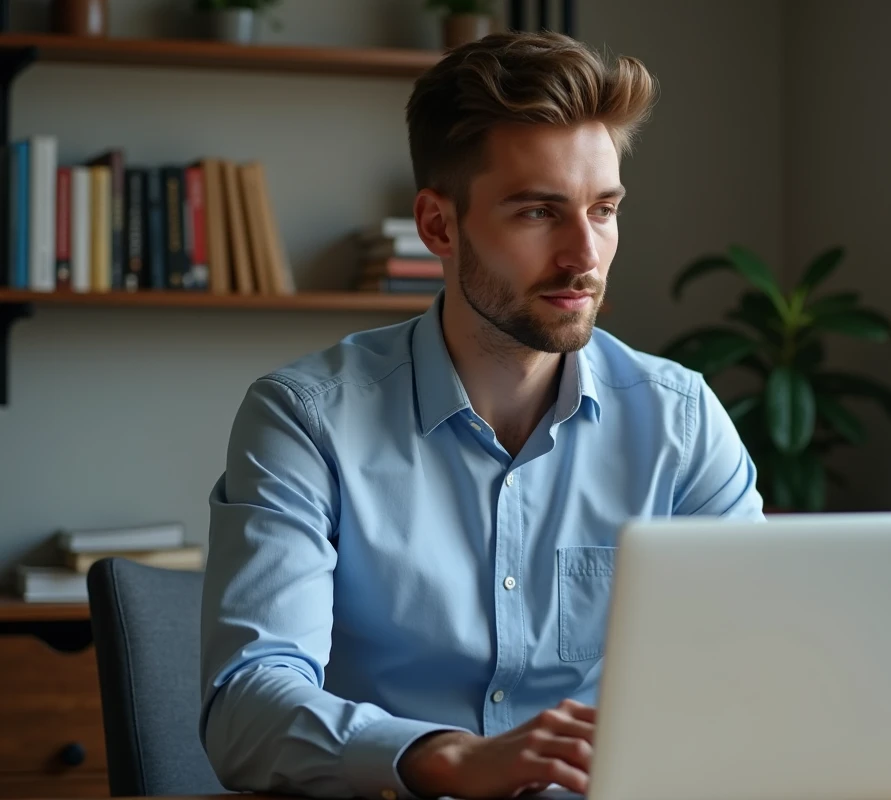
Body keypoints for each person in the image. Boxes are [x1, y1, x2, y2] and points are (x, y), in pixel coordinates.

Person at [199, 29, 764, 800]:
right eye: (539, 212)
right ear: (439, 226)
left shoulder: (682, 422)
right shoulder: (305, 420)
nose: (584, 256)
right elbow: (246, 708)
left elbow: (757, 668)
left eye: (603, 210)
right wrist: (450, 759)